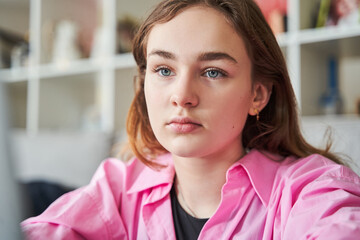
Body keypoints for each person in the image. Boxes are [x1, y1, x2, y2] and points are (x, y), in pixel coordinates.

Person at [21, 0, 360, 239]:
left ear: (258, 94)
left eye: (213, 71)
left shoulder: (311, 188)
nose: (181, 95)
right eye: (164, 69)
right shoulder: (118, 186)